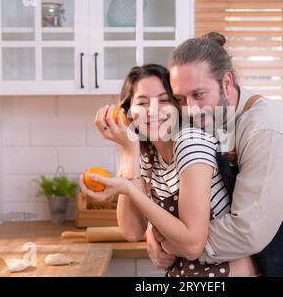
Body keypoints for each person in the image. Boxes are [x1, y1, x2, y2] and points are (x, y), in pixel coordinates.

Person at [146, 32, 283, 277]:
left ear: (226, 83)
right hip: (268, 263)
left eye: (198, 95)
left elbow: (249, 231)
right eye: (180, 98)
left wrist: (176, 243)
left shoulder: (265, 129)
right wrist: (155, 229)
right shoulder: (210, 121)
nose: (189, 109)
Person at [79, 64, 257, 277]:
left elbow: (193, 245)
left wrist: (129, 189)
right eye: (142, 102)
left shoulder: (191, 142)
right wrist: (129, 150)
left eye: (164, 100)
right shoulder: (150, 156)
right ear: (128, 113)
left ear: (178, 106)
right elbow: (132, 230)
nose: (153, 111)